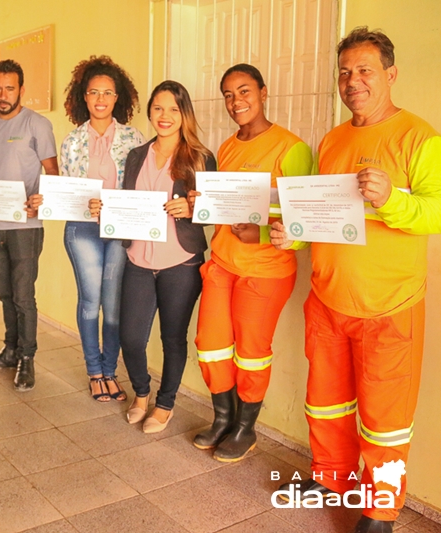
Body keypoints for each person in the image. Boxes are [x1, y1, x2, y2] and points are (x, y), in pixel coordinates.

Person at [271, 27, 441, 533]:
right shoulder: (333, 139)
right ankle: (330, 480)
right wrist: (292, 236)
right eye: (345, 72)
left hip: (390, 305)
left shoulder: (421, 138)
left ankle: (379, 511)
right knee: (325, 404)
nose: (353, 81)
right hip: (326, 300)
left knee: (386, 420)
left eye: (365, 70)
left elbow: (435, 213)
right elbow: (325, 216)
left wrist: (392, 198)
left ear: (389, 74)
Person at [192, 64, 312, 462]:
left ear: (262, 92)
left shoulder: (292, 149)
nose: (236, 101)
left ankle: (245, 427)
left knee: (252, 352)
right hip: (224, 261)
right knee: (210, 345)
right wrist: (202, 205)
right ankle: (223, 417)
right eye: (228, 94)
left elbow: (304, 220)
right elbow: (227, 203)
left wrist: (259, 234)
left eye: (243, 91)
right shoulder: (226, 147)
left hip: (266, 270)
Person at [91, 81, 215, 433]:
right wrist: (106, 209)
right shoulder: (136, 156)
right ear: (150, 112)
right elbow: (127, 206)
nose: (165, 116)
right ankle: (141, 393)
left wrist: (192, 207)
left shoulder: (200, 157)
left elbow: (215, 208)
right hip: (139, 260)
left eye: (174, 109)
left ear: (184, 114)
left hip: (181, 260)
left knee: (172, 338)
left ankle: (165, 404)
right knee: (130, 336)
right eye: (159, 108)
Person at [55, 56, 145, 401]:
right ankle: (95, 371)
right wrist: (84, 203)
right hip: (83, 229)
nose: (101, 99)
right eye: (94, 92)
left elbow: (140, 186)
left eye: (108, 92)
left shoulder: (134, 138)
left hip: (120, 229)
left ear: (118, 97)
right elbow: (66, 193)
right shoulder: (72, 141)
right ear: (84, 97)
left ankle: (111, 370)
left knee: (113, 301)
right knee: (91, 300)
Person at [0, 59, 58, 391]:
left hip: (25, 228)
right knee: (5, 295)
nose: (2, 94)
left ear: (22, 89)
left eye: (9, 87)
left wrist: (42, 199)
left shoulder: (38, 124)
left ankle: (27, 359)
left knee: (24, 297)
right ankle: (10, 350)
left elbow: (54, 175)